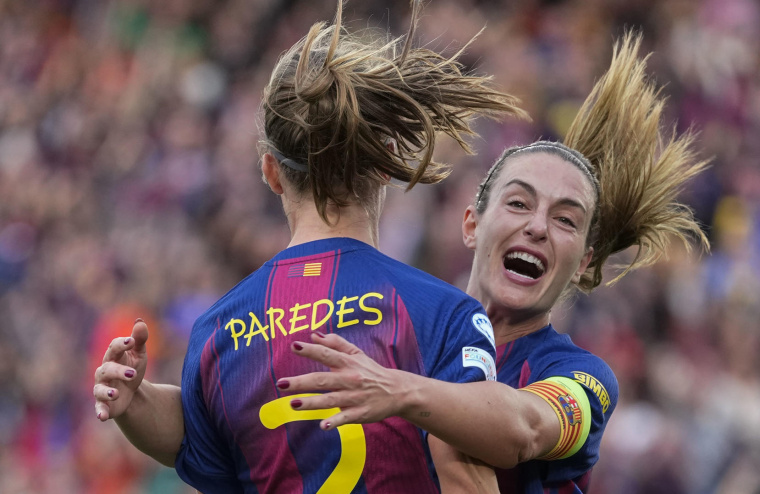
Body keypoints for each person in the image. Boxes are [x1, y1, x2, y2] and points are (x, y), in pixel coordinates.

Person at [91, 2, 525, 493]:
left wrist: (139, 403)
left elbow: (204, 450)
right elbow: (491, 456)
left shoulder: (217, 334)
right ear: (385, 164)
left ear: (271, 174)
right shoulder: (445, 315)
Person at [277, 32, 710, 493]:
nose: (538, 227)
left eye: (565, 219)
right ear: (471, 226)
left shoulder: (582, 376)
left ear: (584, 263)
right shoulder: (397, 331)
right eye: (519, 204)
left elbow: (525, 429)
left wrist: (399, 392)